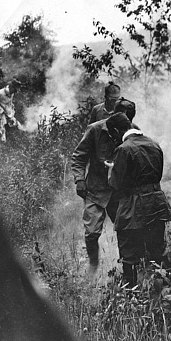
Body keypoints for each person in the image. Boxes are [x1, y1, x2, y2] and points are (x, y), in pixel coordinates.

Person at [105, 112, 171, 287]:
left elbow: (116, 184)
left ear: (115, 131)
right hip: (157, 203)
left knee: (129, 255)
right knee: (156, 251)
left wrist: (111, 170)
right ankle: (161, 293)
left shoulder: (123, 149)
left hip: (133, 206)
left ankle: (131, 294)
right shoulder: (154, 144)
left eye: (111, 134)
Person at [71, 99, 136, 271]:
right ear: (114, 114)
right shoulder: (95, 129)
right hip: (95, 189)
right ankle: (93, 265)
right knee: (92, 233)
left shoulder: (134, 131)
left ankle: (127, 270)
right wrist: (80, 180)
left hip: (118, 192)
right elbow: (79, 157)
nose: (126, 126)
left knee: (125, 231)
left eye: (129, 121)